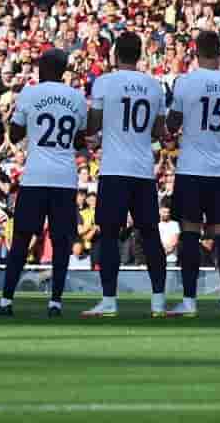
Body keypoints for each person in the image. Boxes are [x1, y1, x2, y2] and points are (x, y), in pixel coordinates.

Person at [0, 49, 84, 317]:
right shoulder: (76, 97)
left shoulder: (30, 93)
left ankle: (6, 301)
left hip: (36, 176)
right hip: (65, 177)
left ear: (43, 68)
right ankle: (56, 303)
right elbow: (79, 140)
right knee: (62, 241)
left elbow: (16, 134)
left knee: (21, 239)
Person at [82, 32, 168, 318]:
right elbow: (158, 131)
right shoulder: (154, 86)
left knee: (108, 235)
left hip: (115, 170)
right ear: (140, 55)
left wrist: (103, 132)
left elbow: (92, 126)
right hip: (143, 170)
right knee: (151, 234)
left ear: (115, 54)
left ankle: (109, 301)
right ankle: (158, 302)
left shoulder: (105, 82)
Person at [164, 29, 220, 318]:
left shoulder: (185, 82)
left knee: (189, 233)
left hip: (192, 167)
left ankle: (189, 301)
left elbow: (173, 122)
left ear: (196, 51)